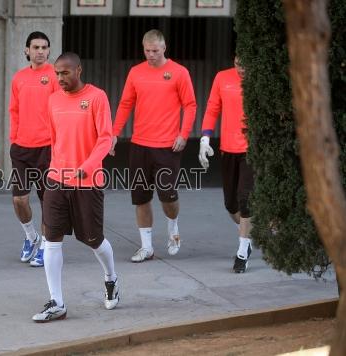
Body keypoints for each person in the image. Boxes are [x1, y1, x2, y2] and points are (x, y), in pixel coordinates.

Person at [32, 52, 119, 322]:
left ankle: (111, 278)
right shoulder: (53, 100)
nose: (60, 78)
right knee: (51, 238)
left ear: (79, 70)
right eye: (57, 73)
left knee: (92, 238)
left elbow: (106, 138)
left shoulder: (97, 97)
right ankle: (57, 302)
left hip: (88, 181)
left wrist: (88, 165)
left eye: (65, 73)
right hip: (57, 180)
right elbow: (54, 139)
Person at [110, 29, 197, 262]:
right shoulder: (136, 72)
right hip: (139, 145)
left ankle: (173, 229)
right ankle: (146, 247)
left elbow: (190, 105)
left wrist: (184, 134)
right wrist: (114, 133)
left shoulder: (179, 72)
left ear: (164, 47)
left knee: (167, 197)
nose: (151, 55)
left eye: (155, 51)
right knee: (140, 197)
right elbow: (126, 103)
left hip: (168, 146)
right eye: (147, 51)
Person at [198, 56, 254, 273]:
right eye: (239, 63)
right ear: (234, 61)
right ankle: (247, 234)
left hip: (251, 148)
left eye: (246, 64)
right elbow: (212, 109)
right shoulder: (222, 77)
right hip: (228, 147)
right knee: (231, 205)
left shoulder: (259, 79)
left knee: (245, 197)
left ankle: (242, 250)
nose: (242, 69)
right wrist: (205, 139)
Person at [9, 31, 59, 267]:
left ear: (49, 51)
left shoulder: (55, 76)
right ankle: (31, 237)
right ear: (27, 50)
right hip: (21, 148)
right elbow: (14, 110)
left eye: (44, 47)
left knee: (47, 200)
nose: (40, 51)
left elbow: (61, 111)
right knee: (19, 200)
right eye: (35, 47)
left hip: (47, 149)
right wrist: (14, 138)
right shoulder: (18, 78)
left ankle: (47, 246)